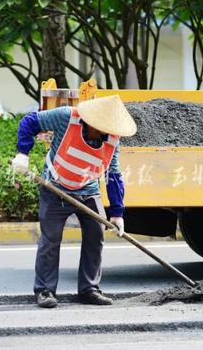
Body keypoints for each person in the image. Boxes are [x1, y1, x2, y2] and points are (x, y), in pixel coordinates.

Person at [11, 95, 137, 309]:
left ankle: (89, 289)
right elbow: (29, 121)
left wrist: (117, 212)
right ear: (90, 121)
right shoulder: (66, 117)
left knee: (96, 235)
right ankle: (45, 290)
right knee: (50, 239)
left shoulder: (112, 139)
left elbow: (113, 175)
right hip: (55, 186)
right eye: (101, 128)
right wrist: (23, 154)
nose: (104, 133)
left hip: (88, 190)